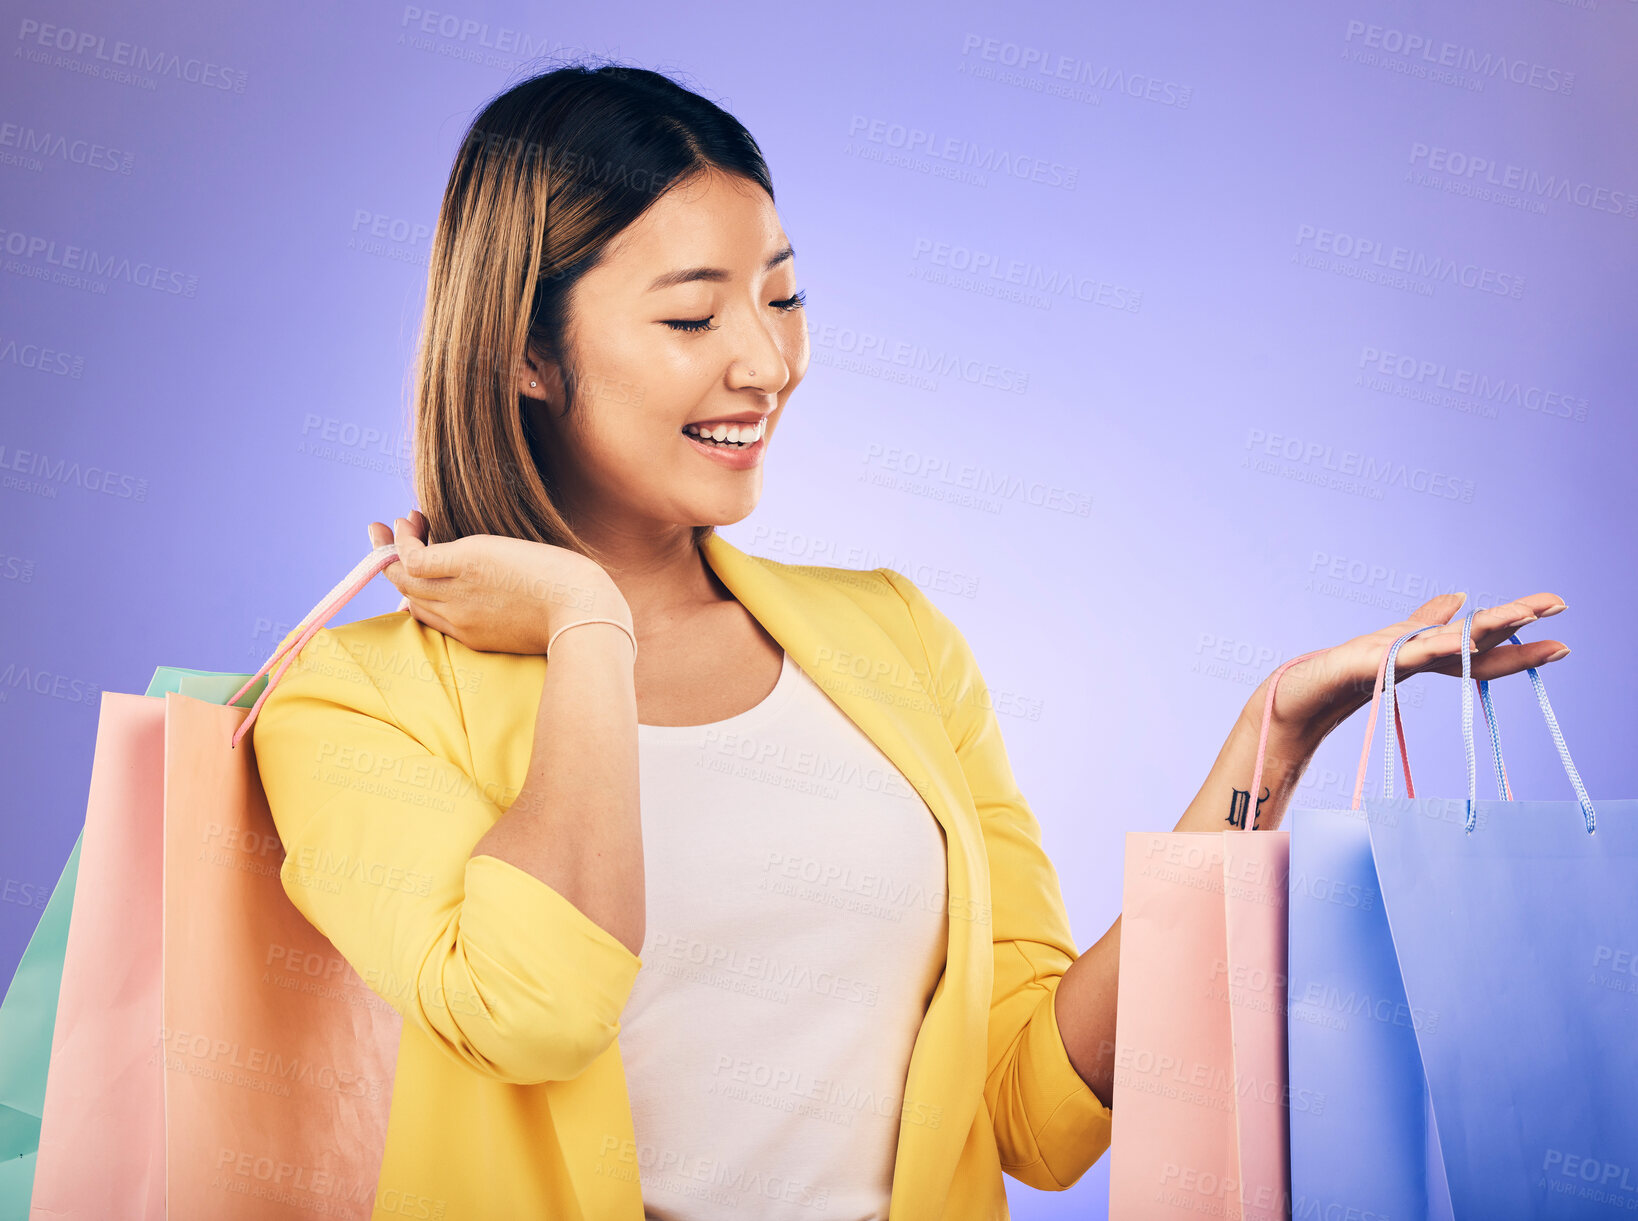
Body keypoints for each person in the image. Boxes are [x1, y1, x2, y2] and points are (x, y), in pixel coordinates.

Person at [252, 59, 1571, 1221]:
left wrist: (1270, 731)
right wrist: (585, 624)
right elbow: (532, 1009)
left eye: (781, 296)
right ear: (530, 352)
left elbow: (1034, 1106)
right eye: (692, 315)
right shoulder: (353, 705)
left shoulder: (889, 637)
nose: (765, 363)